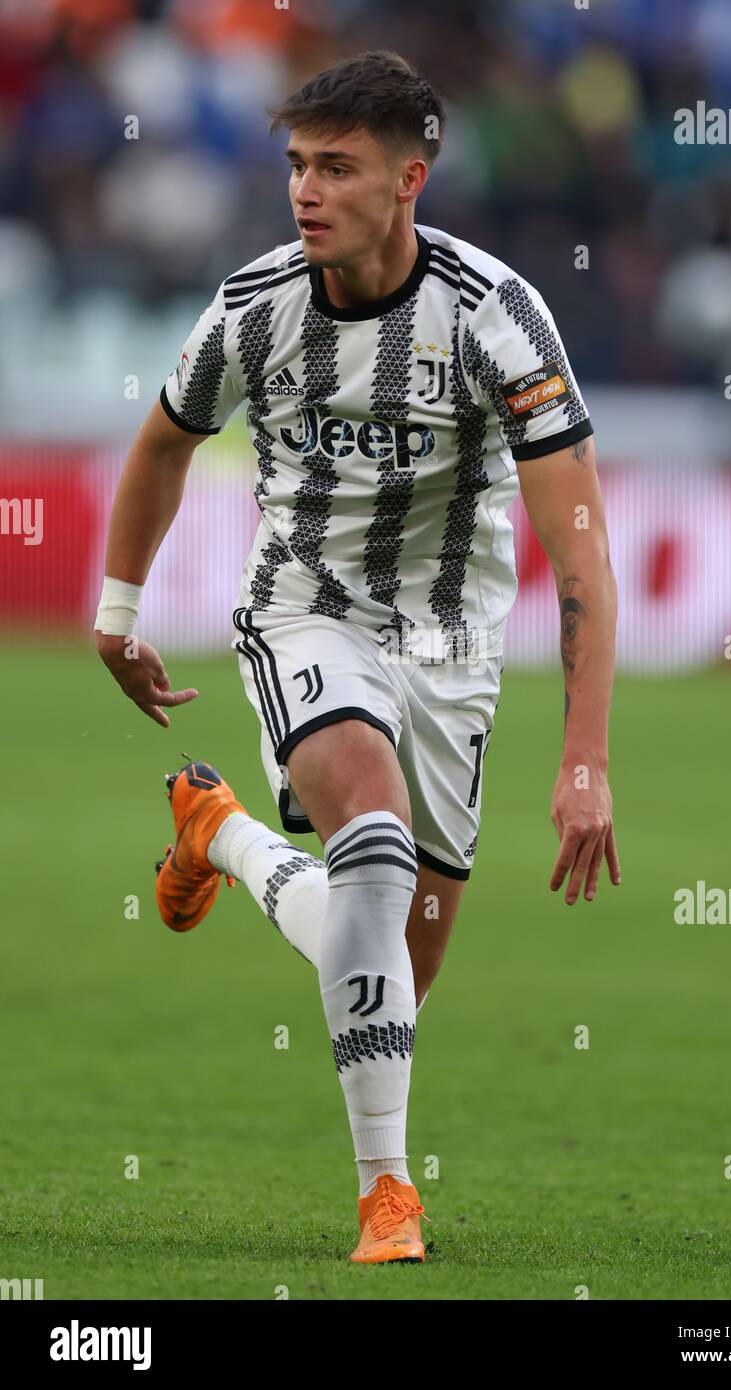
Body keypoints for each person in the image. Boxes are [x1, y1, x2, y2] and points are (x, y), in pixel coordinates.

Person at [94, 49, 620, 1265]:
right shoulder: (252, 307)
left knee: (383, 953)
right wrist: (121, 606)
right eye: (295, 165)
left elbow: (581, 552)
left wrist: (583, 756)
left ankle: (218, 832)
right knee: (372, 851)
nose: (305, 191)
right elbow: (164, 443)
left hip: (449, 651)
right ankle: (389, 1198)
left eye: (336, 167)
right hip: (302, 614)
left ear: (408, 180)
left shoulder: (495, 318)